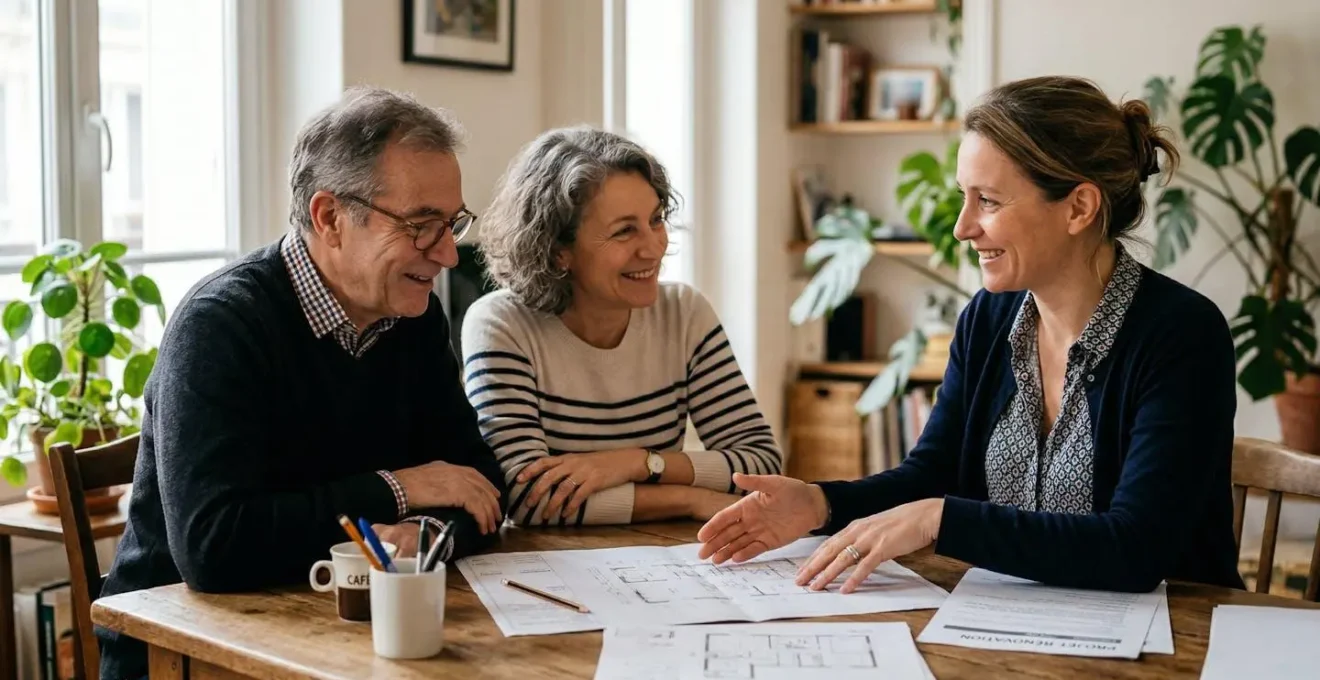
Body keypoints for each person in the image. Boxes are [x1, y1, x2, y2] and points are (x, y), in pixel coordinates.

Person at [696, 76, 1245, 595]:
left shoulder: (1182, 334)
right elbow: (932, 474)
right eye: (965, 196)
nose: (962, 227)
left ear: (1079, 207)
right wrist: (819, 504)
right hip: (1019, 626)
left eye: (988, 200)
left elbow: (1137, 549)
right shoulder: (988, 317)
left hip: (1180, 636)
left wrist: (943, 518)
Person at [97, 87, 507, 679]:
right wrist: (401, 489)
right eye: (422, 225)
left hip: (338, 635)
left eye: (452, 223)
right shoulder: (221, 324)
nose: (446, 252)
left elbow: (479, 484)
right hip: (185, 653)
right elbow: (215, 548)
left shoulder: (412, 316)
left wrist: (415, 536)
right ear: (330, 218)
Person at [462, 126, 783, 527]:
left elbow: (761, 463)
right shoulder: (502, 324)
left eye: (655, 220)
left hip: (666, 558)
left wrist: (635, 464)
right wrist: (691, 499)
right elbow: (528, 500)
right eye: (624, 231)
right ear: (559, 251)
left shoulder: (684, 312)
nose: (653, 247)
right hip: (546, 563)